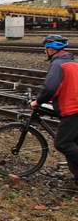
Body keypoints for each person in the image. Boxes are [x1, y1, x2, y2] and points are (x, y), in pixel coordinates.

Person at [30, 34, 78, 188]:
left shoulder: (58, 64)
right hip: (74, 106)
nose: (45, 51)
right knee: (73, 143)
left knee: (63, 144)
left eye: (46, 48)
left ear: (51, 49)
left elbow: (50, 87)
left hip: (73, 109)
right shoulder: (71, 61)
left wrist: (38, 101)